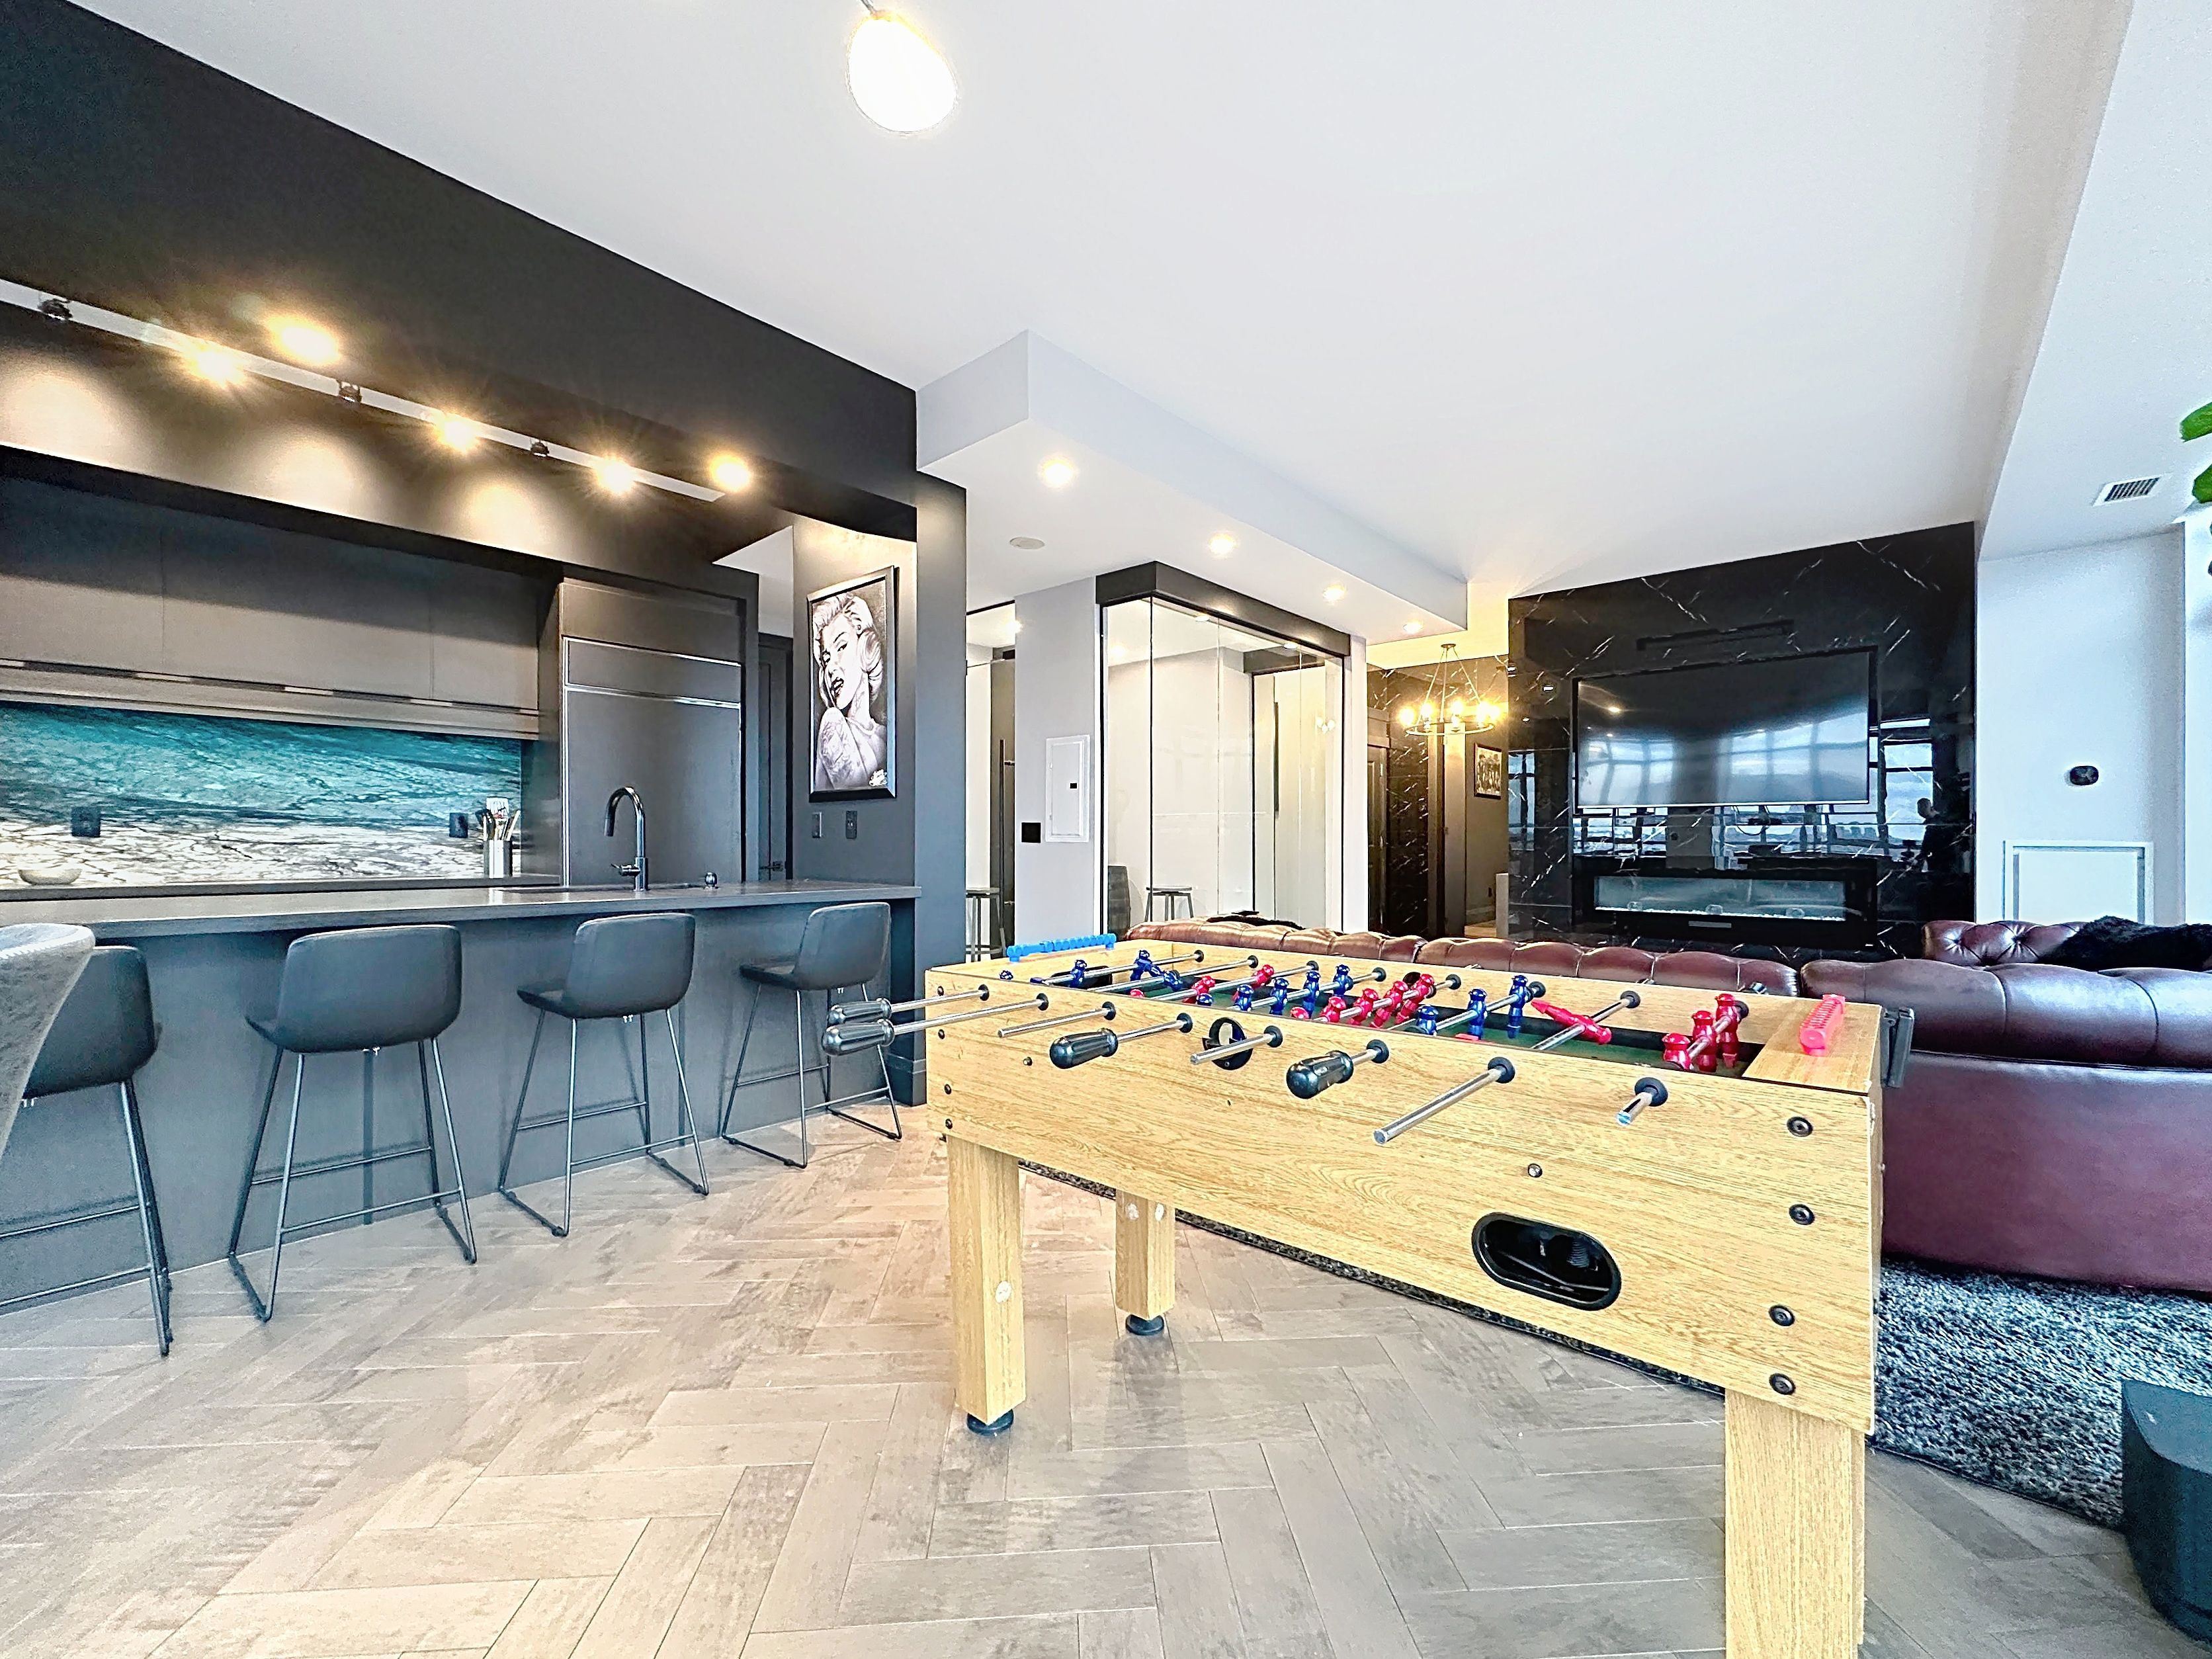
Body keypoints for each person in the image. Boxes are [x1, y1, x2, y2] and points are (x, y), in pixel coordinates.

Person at [814, 589, 887, 791]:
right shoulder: (832, 723)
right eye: (826, 659)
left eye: (841, 647)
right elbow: (863, 802)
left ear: (866, 647)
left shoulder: (885, 735)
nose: (831, 668)